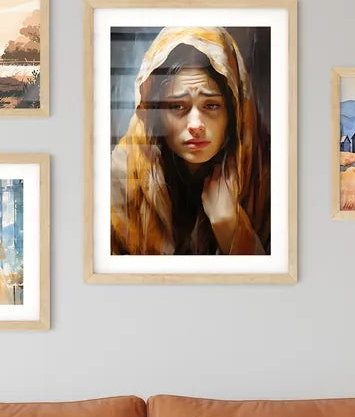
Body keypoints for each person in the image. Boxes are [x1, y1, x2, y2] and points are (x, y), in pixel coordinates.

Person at [110, 26, 269, 256]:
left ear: (235, 113)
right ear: (156, 114)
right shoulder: (121, 177)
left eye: (211, 105)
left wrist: (230, 226)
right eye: (177, 106)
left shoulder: (265, 176)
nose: (196, 125)